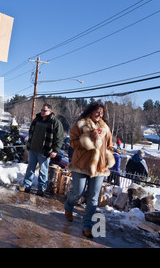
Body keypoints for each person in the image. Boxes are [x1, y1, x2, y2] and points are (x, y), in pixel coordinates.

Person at [64, 102, 115, 238]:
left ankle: (87, 225)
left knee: (93, 198)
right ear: (91, 112)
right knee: (78, 193)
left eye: (102, 113)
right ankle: (68, 207)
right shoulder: (80, 124)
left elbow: (110, 146)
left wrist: (106, 158)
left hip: (99, 168)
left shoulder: (105, 128)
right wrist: (88, 137)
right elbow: (73, 143)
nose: (99, 115)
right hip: (81, 165)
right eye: (97, 112)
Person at [19, 103, 64, 196]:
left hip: (45, 151)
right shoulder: (37, 119)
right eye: (42, 110)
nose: (42, 112)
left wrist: (55, 151)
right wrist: (28, 144)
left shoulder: (55, 122)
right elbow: (31, 132)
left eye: (45, 111)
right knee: (30, 169)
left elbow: (59, 138)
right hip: (33, 149)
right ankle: (26, 186)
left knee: (43, 171)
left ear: (50, 111)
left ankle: (41, 189)